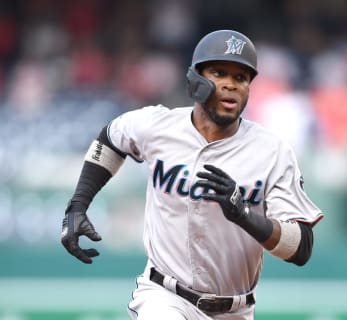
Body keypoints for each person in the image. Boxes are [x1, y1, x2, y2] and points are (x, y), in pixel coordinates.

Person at [61, 29, 324, 320]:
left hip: (235, 310)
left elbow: (301, 247)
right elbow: (111, 138)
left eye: (240, 78)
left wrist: (245, 215)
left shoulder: (272, 152)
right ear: (195, 79)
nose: (231, 84)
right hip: (165, 297)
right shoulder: (158, 126)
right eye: (219, 73)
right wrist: (78, 204)